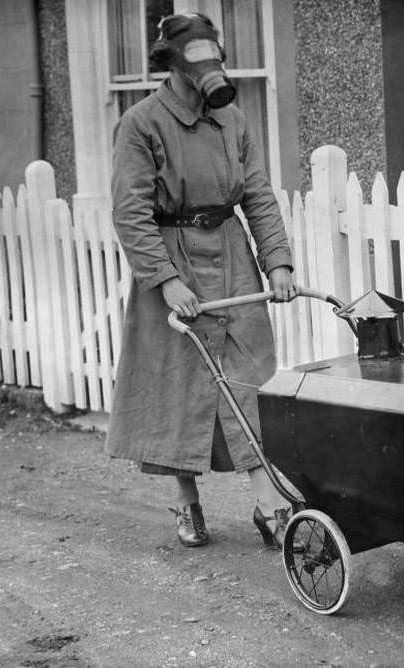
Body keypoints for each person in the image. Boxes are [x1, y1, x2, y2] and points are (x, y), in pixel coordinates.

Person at [106, 12, 297, 549]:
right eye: (197, 62)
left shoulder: (232, 119)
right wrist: (165, 280)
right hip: (174, 258)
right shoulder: (141, 123)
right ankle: (186, 502)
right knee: (177, 382)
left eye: (215, 59)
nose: (209, 72)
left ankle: (268, 504)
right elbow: (131, 213)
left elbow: (257, 193)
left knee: (248, 376)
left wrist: (276, 260)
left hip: (232, 253)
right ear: (172, 66)